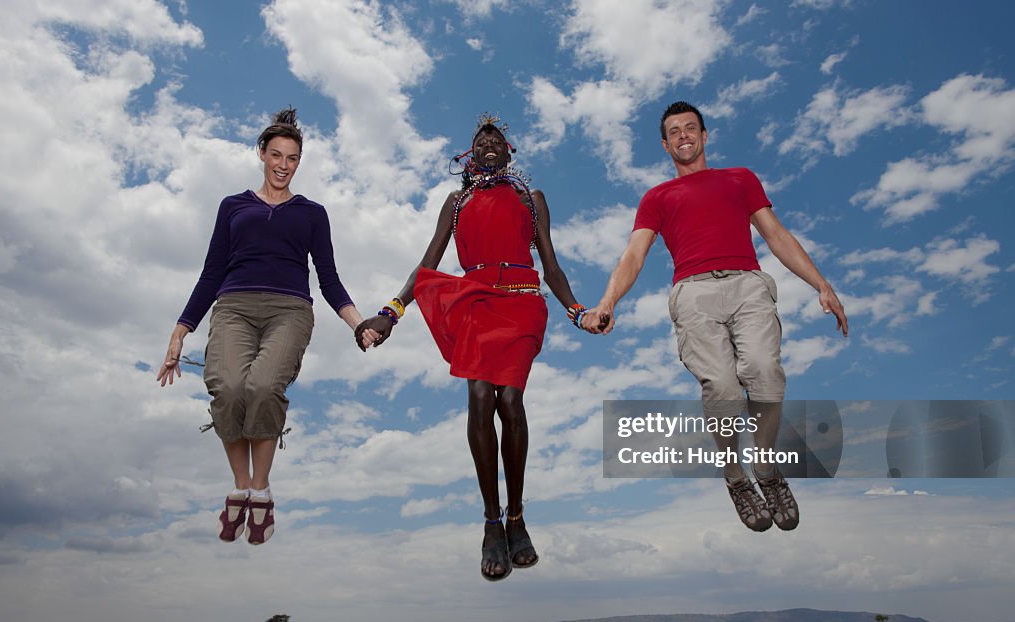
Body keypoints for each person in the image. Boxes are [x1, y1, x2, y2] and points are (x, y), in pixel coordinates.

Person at [582, 101, 848, 532]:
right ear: (666, 144)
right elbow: (634, 254)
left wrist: (822, 284)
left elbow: (776, 235)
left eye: (691, 128)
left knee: (764, 370)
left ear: (705, 137)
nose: (684, 135)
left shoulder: (739, 179)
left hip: (747, 283)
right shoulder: (657, 198)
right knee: (723, 388)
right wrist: (608, 301)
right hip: (694, 293)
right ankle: (735, 477)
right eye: (675, 131)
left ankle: (766, 470)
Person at [356, 115, 588, 580]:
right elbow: (429, 262)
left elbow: (552, 265)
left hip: (521, 301)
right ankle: (491, 522)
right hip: (476, 302)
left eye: (496, 139)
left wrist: (579, 311)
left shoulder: (530, 197)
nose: (488, 144)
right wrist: (392, 312)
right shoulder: (457, 201)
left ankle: (518, 518)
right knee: (480, 397)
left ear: (509, 151)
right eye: (480, 140)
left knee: (511, 400)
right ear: (468, 155)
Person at [157, 108, 367, 545]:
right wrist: (181, 330)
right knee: (229, 387)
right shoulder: (233, 207)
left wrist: (357, 323)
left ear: (299, 162)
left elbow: (328, 278)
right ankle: (240, 487)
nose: (283, 165)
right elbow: (211, 272)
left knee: (264, 386)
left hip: (289, 309)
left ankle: (261, 490)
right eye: (276, 155)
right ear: (261, 153)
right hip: (233, 305)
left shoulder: (312, 214)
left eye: (292, 158)